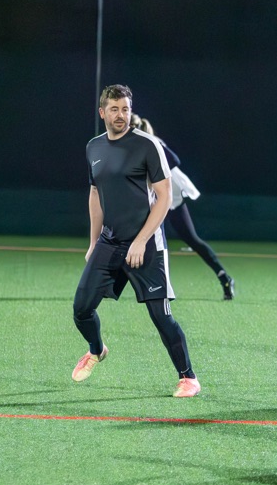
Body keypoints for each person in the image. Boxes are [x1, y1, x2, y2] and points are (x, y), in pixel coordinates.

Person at [72, 84, 201, 398]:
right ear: (102, 112)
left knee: (161, 315)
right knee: (81, 309)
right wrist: (93, 242)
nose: (121, 115)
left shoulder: (147, 145)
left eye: (125, 109)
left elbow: (164, 196)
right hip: (110, 241)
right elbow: (94, 195)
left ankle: (188, 378)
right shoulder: (94, 148)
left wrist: (141, 241)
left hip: (147, 243)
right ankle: (97, 350)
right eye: (114, 109)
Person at [131, 116, 234, 300]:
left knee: (175, 238)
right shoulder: (137, 147)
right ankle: (154, 285)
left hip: (171, 194)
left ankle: (223, 277)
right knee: (149, 237)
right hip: (160, 194)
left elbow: (174, 160)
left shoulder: (151, 143)